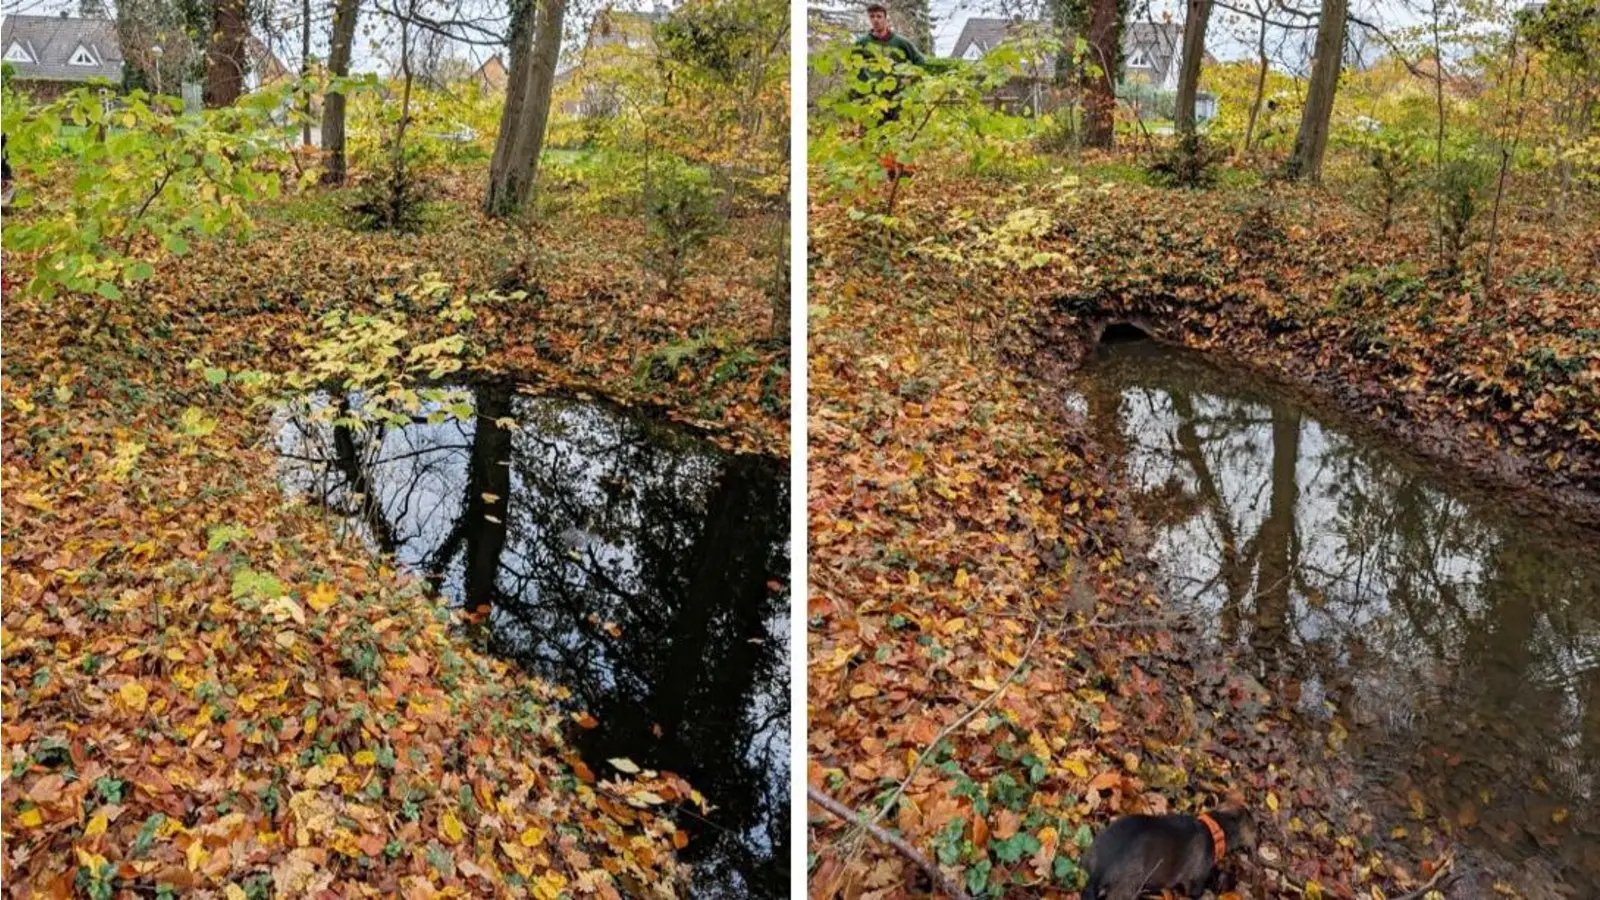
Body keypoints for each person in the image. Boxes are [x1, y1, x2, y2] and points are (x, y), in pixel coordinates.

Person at [852, 4, 925, 180]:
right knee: (879, 133)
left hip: (898, 95)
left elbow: (920, 62)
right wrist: (862, 91)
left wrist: (910, 78)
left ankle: (906, 169)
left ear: (886, 18)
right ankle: (889, 170)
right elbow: (854, 69)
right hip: (875, 97)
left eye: (878, 16)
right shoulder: (862, 43)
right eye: (872, 17)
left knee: (901, 130)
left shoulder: (900, 42)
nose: (875, 20)